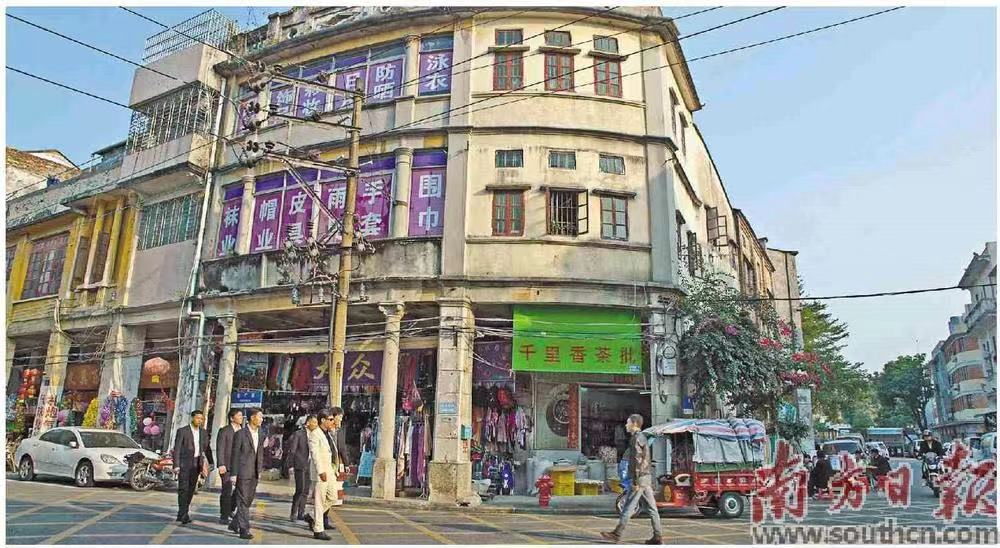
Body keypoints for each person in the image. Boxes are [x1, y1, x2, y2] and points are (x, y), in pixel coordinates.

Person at [601, 414, 662, 545]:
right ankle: (658, 536)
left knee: (628, 506)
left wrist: (635, 481)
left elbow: (637, 461)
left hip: (639, 479)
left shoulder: (636, 438)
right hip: (645, 478)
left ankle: (617, 534)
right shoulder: (642, 437)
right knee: (652, 509)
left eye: (628, 423)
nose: (626, 425)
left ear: (634, 424)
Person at [229, 407, 265, 540]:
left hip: (254, 472)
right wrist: (234, 474)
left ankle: (234, 523)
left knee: (248, 500)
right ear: (252, 418)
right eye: (260, 417)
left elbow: (260, 453)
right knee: (243, 501)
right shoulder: (240, 434)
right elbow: (235, 454)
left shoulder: (261, 433)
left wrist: (260, 469)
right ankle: (244, 529)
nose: (262, 419)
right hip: (243, 472)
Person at [173, 410, 214, 525]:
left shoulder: (203, 433)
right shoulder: (183, 431)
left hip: (196, 464)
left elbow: (207, 448)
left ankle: (182, 513)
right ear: (192, 418)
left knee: (191, 489)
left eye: (201, 419)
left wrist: (211, 462)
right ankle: (183, 514)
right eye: (197, 418)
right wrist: (176, 465)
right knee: (183, 489)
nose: (199, 421)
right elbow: (177, 449)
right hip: (184, 464)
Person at [305, 414, 337, 540]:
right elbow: (315, 454)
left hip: (330, 470)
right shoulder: (315, 434)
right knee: (319, 501)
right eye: (330, 419)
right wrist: (320, 471)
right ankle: (318, 530)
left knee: (333, 497)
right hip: (321, 472)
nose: (332, 422)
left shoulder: (327, 434)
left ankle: (312, 516)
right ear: (323, 420)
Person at [215, 408, 243, 525]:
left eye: (242, 415)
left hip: (241, 466)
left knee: (239, 491)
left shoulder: (244, 431)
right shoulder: (225, 431)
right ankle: (224, 515)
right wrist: (221, 464)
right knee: (226, 490)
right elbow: (220, 448)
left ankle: (230, 508)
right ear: (232, 418)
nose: (241, 417)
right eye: (239, 415)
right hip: (227, 466)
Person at [285, 415, 311, 522]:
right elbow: (293, 450)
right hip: (300, 464)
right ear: (307, 423)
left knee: (306, 490)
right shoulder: (298, 434)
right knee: (300, 489)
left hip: (310, 465)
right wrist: (291, 465)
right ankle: (293, 512)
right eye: (314, 422)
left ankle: (301, 512)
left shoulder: (315, 435)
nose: (316, 424)